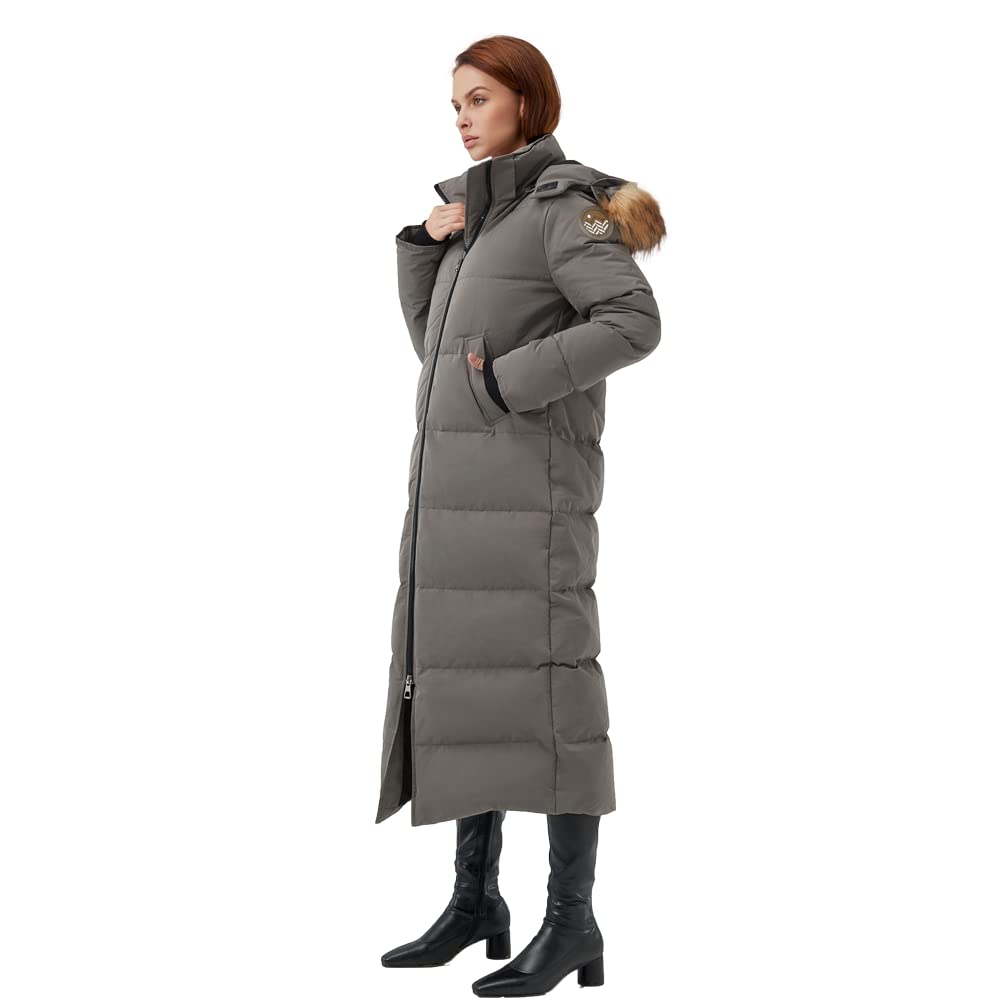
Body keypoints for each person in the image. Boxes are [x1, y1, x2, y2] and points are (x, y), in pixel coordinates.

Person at [375, 34, 666, 996]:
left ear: (527, 103)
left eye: (479, 98)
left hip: (532, 500)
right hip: (465, 499)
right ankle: (475, 903)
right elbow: (438, 352)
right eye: (454, 101)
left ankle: (572, 920)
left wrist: (508, 384)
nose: (461, 116)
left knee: (552, 698)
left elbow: (632, 322)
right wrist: (427, 247)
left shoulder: (564, 209)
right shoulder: (487, 220)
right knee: (471, 692)